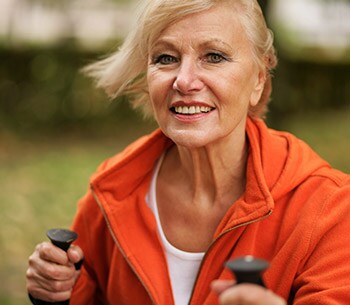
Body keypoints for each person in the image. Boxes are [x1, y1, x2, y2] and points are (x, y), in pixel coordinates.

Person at [26, 0, 350, 304]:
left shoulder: (330, 209)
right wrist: (60, 290)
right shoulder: (113, 191)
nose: (184, 81)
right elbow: (91, 292)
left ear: (258, 80)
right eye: (165, 58)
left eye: (214, 56)